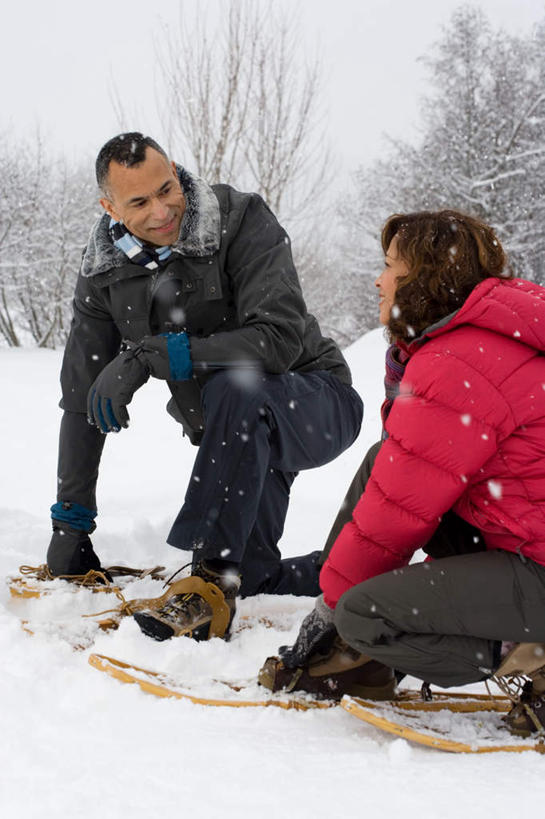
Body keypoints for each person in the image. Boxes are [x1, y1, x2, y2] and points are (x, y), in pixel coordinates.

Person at [46, 132, 363, 642]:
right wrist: (71, 524)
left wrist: (158, 354)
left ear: (175, 169)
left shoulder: (240, 219)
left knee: (234, 387)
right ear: (109, 206)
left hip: (315, 400)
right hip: (236, 439)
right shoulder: (104, 273)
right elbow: (84, 398)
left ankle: (207, 585)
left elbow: (278, 340)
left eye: (167, 189)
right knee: (254, 573)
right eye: (139, 202)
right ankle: (352, 569)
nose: (162, 211)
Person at [259, 209, 545, 737]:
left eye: (390, 265)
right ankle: (363, 661)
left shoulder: (458, 363)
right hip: (520, 541)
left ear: (426, 279)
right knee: (378, 463)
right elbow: (397, 485)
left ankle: (534, 655)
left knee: (365, 614)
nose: (378, 278)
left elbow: (396, 514)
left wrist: (332, 612)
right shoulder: (478, 343)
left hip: (535, 567)